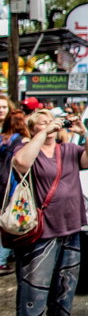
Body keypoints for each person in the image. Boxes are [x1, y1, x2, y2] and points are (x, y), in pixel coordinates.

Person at [9, 109, 88, 316]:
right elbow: (20, 163)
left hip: (70, 223)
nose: (49, 125)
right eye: (42, 122)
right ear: (33, 129)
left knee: (66, 277)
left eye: (51, 121)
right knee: (35, 280)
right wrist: (41, 135)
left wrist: (84, 132)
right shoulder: (28, 149)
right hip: (41, 228)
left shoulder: (68, 150)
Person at [0, 103, 27, 277]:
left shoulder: (2, 139)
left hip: (2, 185)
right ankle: (3, 260)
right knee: (11, 222)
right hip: (11, 186)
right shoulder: (21, 141)